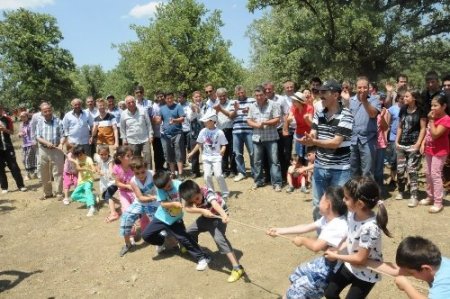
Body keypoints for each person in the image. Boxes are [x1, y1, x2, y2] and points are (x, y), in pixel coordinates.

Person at [267, 186, 348, 299]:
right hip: (324, 262)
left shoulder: (338, 225)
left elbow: (316, 247)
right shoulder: (328, 218)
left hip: (331, 270)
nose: (319, 201)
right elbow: (306, 227)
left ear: (328, 204)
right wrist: (280, 230)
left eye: (321, 199)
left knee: (298, 290)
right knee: (298, 273)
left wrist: (302, 240)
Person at [324, 176, 392, 299]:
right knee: (330, 292)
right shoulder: (352, 213)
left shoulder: (370, 228)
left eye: (347, 198)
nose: (343, 200)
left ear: (360, 204)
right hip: (350, 265)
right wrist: (338, 249)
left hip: (366, 273)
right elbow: (351, 238)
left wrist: (336, 256)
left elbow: (360, 259)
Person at [299, 79, 353, 220]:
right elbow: (314, 132)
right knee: (318, 204)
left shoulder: (346, 115)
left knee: (340, 206)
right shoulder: (319, 113)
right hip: (320, 167)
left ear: (335, 95)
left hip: (340, 169)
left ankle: (339, 240)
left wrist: (314, 141)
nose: (320, 95)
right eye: (319, 92)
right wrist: (308, 138)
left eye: (324, 92)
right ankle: (322, 238)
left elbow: (336, 142)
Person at [141, 171, 211, 271]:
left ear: (170, 178)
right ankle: (161, 241)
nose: (167, 188)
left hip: (175, 220)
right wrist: (173, 204)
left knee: (184, 239)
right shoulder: (160, 189)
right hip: (161, 218)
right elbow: (163, 204)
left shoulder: (179, 185)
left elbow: (189, 195)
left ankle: (202, 258)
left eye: (168, 186)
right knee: (146, 235)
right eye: (164, 188)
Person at [180, 180, 244, 282]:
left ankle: (237, 268)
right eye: (193, 201)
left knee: (220, 239)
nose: (196, 202)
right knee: (189, 232)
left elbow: (215, 205)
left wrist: (223, 215)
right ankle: (192, 247)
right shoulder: (192, 196)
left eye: (197, 198)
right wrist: (202, 210)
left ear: (199, 191)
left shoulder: (207, 192)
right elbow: (187, 208)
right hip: (206, 217)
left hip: (218, 217)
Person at [119, 156, 159, 256]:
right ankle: (128, 244)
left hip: (154, 202)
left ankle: (159, 241)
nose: (141, 175)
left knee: (157, 222)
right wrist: (153, 197)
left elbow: (159, 188)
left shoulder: (152, 174)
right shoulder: (133, 181)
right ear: (132, 171)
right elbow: (140, 198)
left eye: (143, 172)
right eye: (137, 173)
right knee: (126, 218)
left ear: (145, 168)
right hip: (141, 202)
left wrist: (155, 198)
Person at [343, 76, 380, 178]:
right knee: (352, 170)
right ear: (356, 88)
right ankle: (354, 193)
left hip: (368, 140)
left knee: (367, 172)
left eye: (364, 87)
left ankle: (367, 193)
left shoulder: (374, 100)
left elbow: (373, 114)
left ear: (369, 88)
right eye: (359, 87)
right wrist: (345, 102)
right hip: (352, 140)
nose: (362, 90)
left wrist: (364, 101)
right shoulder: (350, 100)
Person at [187, 111, 229, 200]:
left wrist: (222, 149)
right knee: (207, 176)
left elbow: (224, 144)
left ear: (212, 121)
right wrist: (191, 153)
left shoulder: (220, 132)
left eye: (206, 121)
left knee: (218, 175)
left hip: (216, 157)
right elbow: (199, 144)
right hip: (206, 157)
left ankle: (225, 192)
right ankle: (211, 192)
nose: (204, 122)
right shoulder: (203, 131)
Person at [247, 85, 282, 191]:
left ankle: (276, 183)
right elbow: (249, 120)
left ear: (265, 94)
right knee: (257, 161)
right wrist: (255, 125)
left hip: (271, 137)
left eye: (261, 95)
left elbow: (277, 119)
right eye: (257, 95)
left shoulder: (274, 104)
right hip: (257, 138)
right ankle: (258, 181)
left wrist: (265, 122)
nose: (259, 97)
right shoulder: (252, 106)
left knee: (274, 161)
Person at [395, 90, 427, 207]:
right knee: (400, 170)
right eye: (404, 96)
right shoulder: (403, 109)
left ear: (414, 98)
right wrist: (397, 141)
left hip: (413, 145)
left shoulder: (421, 110)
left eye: (407, 96)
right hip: (401, 144)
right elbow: (400, 126)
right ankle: (401, 191)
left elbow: (423, 128)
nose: (404, 98)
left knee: (412, 170)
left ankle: (414, 196)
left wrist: (418, 144)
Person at [420, 94, 450, 213]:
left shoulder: (446, 119)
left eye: (435, 105)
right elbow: (428, 133)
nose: (432, 108)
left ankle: (438, 202)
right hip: (429, 150)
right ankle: (430, 196)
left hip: (440, 152)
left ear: (444, 106)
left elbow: (435, 134)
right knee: (427, 173)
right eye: (431, 105)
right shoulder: (433, 117)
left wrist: (431, 121)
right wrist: (422, 143)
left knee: (435, 174)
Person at [36, 103, 64, 199]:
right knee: (44, 172)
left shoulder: (58, 121)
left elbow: (63, 135)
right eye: (45, 111)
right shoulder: (39, 122)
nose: (47, 113)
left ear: (51, 110)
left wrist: (61, 143)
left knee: (58, 172)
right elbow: (38, 137)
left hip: (56, 149)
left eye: (49, 110)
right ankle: (47, 193)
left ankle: (59, 192)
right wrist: (46, 142)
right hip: (43, 150)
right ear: (42, 112)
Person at [229, 85, 255, 182]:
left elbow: (257, 113)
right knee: (238, 153)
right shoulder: (233, 102)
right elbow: (231, 116)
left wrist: (250, 111)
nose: (241, 94)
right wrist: (236, 110)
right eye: (239, 93)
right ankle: (241, 172)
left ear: (245, 91)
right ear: (236, 93)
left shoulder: (252, 100)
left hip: (249, 130)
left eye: (242, 92)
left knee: (252, 153)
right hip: (237, 131)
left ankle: (254, 172)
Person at [0, 104, 27, 194]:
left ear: (2, 109)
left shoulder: (7, 119)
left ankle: (21, 185)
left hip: (8, 146)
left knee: (14, 166)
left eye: (0, 109)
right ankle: (4, 187)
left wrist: (4, 130)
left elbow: (11, 132)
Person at [159, 92, 186, 179]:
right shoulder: (162, 108)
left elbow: (182, 119)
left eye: (171, 98)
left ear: (173, 98)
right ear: (165, 99)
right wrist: (157, 120)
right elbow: (160, 120)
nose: (169, 100)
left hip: (177, 133)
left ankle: (181, 173)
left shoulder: (178, 106)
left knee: (179, 153)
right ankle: (172, 173)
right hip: (166, 135)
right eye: (167, 98)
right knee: (169, 154)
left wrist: (174, 120)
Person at [120, 95, 154, 160]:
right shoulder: (123, 114)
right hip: (131, 140)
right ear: (126, 104)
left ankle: (149, 170)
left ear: (135, 102)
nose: (131, 104)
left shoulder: (143, 110)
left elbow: (148, 124)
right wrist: (124, 139)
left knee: (148, 158)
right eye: (129, 103)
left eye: (133, 102)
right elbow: (122, 128)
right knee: (135, 161)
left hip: (145, 139)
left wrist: (151, 135)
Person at [283, 91, 314, 161]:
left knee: (307, 156)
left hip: (307, 134)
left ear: (300, 102)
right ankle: (298, 169)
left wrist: (307, 119)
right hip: (298, 133)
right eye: (292, 101)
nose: (292, 103)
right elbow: (289, 117)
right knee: (296, 155)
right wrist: (289, 119)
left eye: (294, 101)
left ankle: (306, 169)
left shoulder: (309, 108)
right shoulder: (293, 108)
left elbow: (311, 124)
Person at [214, 88, 237, 178]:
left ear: (226, 95)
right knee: (222, 152)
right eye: (220, 96)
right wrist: (216, 110)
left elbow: (231, 116)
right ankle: (224, 170)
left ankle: (233, 170)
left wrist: (220, 109)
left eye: (224, 95)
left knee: (232, 151)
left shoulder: (231, 103)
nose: (222, 97)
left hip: (230, 130)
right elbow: (213, 118)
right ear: (217, 96)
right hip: (220, 131)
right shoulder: (215, 104)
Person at [69, 145, 97, 217]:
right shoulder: (77, 160)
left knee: (87, 189)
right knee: (74, 196)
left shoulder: (88, 159)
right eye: (77, 155)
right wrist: (85, 169)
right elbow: (78, 168)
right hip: (81, 181)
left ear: (84, 153)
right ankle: (92, 199)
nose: (79, 157)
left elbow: (93, 167)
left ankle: (91, 207)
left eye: (80, 154)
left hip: (89, 179)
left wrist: (93, 169)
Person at [93, 145, 117, 221]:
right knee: (104, 196)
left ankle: (113, 213)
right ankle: (121, 203)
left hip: (112, 182)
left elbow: (110, 170)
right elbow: (97, 166)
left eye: (105, 154)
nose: (103, 156)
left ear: (108, 153)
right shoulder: (99, 159)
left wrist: (105, 173)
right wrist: (97, 170)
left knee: (107, 196)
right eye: (101, 154)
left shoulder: (110, 160)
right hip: (104, 182)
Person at [112, 146, 135, 217]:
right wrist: (126, 186)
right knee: (126, 210)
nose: (131, 157)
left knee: (137, 209)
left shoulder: (133, 166)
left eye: (131, 155)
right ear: (120, 158)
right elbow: (117, 183)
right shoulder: (116, 167)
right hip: (123, 192)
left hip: (135, 191)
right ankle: (130, 227)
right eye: (128, 156)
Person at [18, 111, 37, 180]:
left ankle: (28, 174)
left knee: (28, 159)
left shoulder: (31, 124)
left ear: (27, 116)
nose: (22, 118)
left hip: (31, 143)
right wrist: (20, 134)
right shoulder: (21, 124)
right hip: (24, 144)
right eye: (21, 116)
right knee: (23, 159)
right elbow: (20, 132)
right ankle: (33, 173)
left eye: (23, 116)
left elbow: (34, 132)